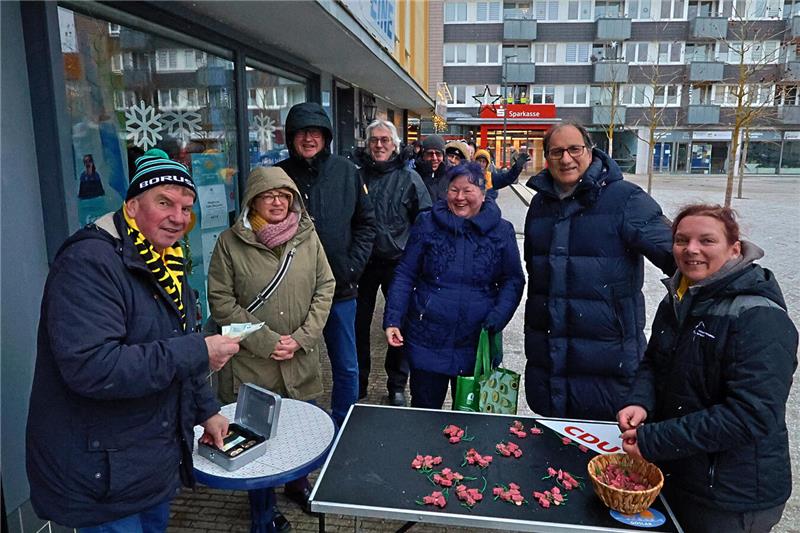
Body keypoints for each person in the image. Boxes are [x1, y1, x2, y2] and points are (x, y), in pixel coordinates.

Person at [26, 148, 240, 531]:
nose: (178, 218)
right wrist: (199, 351)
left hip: (146, 464)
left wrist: (205, 410)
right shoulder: (89, 263)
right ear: (131, 207)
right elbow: (94, 368)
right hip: (101, 475)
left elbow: (178, 342)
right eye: (165, 203)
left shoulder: (166, 259)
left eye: (186, 208)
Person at [617, 204, 797, 533]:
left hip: (731, 497)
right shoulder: (680, 297)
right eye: (682, 240)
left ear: (735, 249)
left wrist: (655, 439)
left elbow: (750, 415)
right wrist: (639, 401)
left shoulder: (759, 316)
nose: (692, 250)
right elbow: (654, 363)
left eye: (707, 240)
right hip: (683, 474)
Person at [207, 166, 335, 530]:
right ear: (253, 200)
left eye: (284, 195)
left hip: (300, 357)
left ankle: (298, 485)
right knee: (254, 439)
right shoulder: (229, 243)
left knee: (301, 431)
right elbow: (221, 303)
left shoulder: (307, 237)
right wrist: (266, 342)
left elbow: (325, 287)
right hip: (253, 363)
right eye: (268, 195)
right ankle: (263, 514)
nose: (277, 201)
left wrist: (302, 338)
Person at [523, 122, 675, 420]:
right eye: (556, 152)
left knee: (604, 462)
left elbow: (679, 255)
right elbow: (536, 274)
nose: (566, 159)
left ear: (590, 151)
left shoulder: (626, 200)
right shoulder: (540, 205)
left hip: (609, 365)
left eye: (574, 149)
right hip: (550, 365)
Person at [383, 162, 525, 409]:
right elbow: (405, 273)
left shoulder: (502, 231)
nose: (460, 197)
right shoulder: (427, 223)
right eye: (453, 190)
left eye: (467, 190)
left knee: (471, 422)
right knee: (425, 415)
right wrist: (393, 318)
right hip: (428, 339)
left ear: (483, 193)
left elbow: (513, 280)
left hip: (476, 343)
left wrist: (498, 317)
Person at [276, 102, 377, 427]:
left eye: (315, 132)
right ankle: (300, 426)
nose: (309, 138)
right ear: (291, 136)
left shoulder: (346, 172)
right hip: (290, 292)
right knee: (295, 365)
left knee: (346, 364)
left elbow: (366, 224)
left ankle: (342, 424)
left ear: (326, 136)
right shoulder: (277, 176)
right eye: (302, 132)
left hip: (339, 288)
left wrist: (351, 267)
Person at [351, 120, 432, 407]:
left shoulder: (409, 179)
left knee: (399, 324)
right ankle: (357, 382)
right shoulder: (356, 176)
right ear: (368, 144)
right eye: (374, 140)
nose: (379, 145)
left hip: (398, 262)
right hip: (362, 262)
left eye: (385, 140)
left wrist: (418, 260)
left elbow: (425, 221)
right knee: (357, 324)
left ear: (395, 145)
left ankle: (397, 384)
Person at [415, 134, 449, 202]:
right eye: (430, 154)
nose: (434, 158)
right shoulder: (414, 176)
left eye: (438, 154)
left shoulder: (450, 177)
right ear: (423, 155)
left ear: (443, 156)